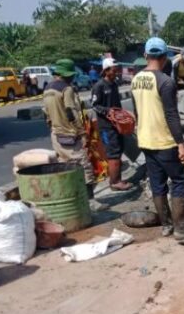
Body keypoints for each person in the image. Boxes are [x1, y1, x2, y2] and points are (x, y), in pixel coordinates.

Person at [132, 37, 184, 243]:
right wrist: (181, 145)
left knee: (157, 183)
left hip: (145, 140)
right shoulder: (165, 81)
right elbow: (172, 115)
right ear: (164, 57)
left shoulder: (136, 80)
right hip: (165, 141)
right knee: (180, 182)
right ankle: (181, 229)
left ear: (146, 55)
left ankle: (166, 226)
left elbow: (137, 111)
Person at [43, 58, 107, 212]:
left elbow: (45, 113)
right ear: (67, 74)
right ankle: (90, 202)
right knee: (84, 167)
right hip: (70, 135)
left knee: (66, 167)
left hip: (56, 134)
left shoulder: (48, 89)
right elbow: (71, 112)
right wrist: (82, 132)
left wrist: (53, 126)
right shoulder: (67, 89)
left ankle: (73, 198)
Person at [91, 57, 133, 191]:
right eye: (114, 70)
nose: (117, 72)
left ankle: (117, 179)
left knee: (119, 151)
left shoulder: (114, 84)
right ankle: (114, 182)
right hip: (107, 127)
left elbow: (117, 105)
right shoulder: (99, 86)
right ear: (106, 70)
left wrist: (122, 115)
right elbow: (95, 105)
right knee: (113, 154)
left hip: (117, 125)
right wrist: (108, 111)